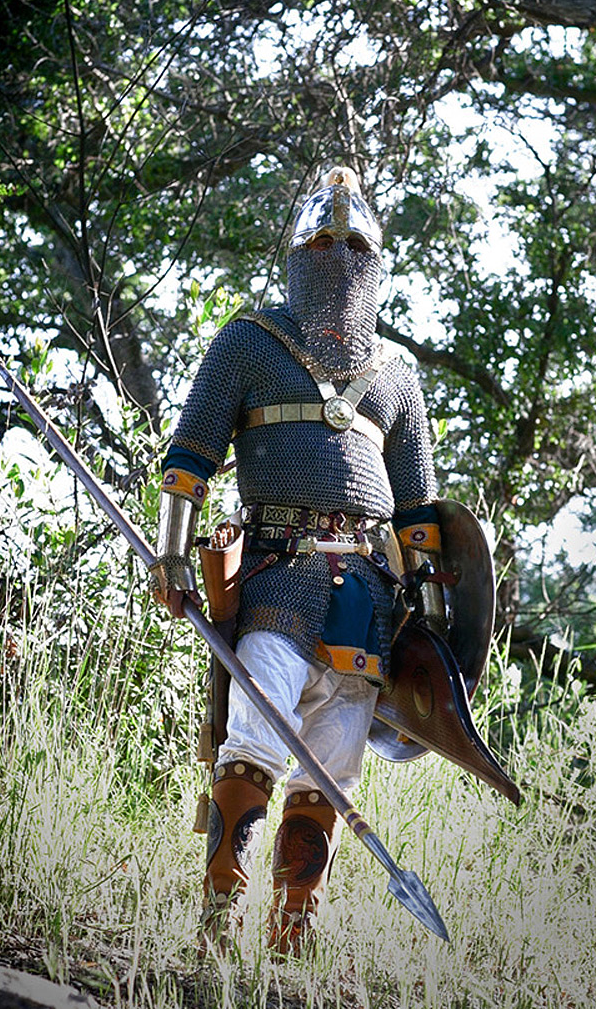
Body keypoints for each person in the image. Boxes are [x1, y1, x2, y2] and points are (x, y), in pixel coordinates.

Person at [152, 166, 445, 955]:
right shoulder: (249, 342)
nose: (339, 258)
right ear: (298, 256)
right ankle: (219, 918)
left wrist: (433, 615)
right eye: (323, 244)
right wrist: (172, 552)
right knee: (255, 737)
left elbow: (419, 512)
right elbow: (188, 457)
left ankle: (293, 931)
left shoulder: (397, 374)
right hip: (277, 578)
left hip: (367, 601)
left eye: (354, 246)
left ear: (374, 264)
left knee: (332, 767)